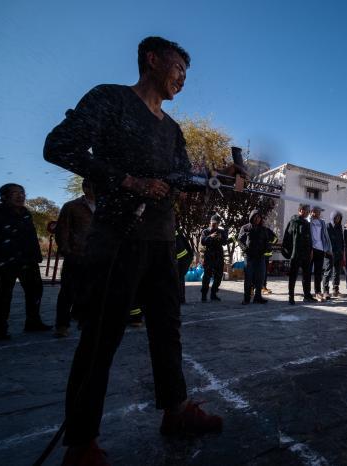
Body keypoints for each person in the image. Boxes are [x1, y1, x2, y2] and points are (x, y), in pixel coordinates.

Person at [43, 36, 223, 463]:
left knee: (168, 330)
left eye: (186, 73)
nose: (182, 78)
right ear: (152, 59)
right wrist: (127, 181)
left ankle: (176, 411)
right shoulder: (110, 100)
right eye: (178, 68)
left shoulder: (173, 129)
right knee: (101, 337)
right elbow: (58, 147)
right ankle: (81, 442)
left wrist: (215, 181)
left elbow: (181, 179)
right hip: (117, 238)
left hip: (162, 241)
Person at [0, 183, 51, 340]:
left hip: (28, 260)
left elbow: (31, 236)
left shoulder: (25, 212)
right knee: (2, 295)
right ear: (4, 196)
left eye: (22, 192)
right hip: (5, 261)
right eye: (15, 193)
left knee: (35, 291)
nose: (21, 196)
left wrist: (36, 256)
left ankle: (33, 322)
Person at [54, 178, 95, 337]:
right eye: (93, 186)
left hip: (97, 256)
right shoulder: (72, 206)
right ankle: (62, 325)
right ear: (85, 188)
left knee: (90, 290)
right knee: (67, 291)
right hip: (76, 254)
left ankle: (84, 320)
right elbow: (62, 230)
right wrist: (66, 251)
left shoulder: (106, 207)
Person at [238, 210, 274, 305]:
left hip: (260, 257)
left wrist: (268, 248)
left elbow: (269, 240)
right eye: (255, 217)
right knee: (248, 278)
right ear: (252, 217)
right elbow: (239, 240)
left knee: (260, 278)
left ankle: (258, 297)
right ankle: (246, 298)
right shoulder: (245, 228)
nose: (257, 219)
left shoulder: (263, 229)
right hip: (249, 257)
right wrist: (245, 249)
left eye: (259, 217)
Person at [282, 203, 314, 305]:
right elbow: (287, 238)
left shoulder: (307, 223)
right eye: (306, 210)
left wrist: (310, 251)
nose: (307, 213)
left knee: (307, 276)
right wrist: (289, 252)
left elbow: (309, 239)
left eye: (308, 211)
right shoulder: (293, 222)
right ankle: (291, 296)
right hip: (295, 254)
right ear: (300, 210)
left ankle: (307, 295)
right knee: (293, 276)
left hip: (306, 254)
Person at [200, 214, 229, 302]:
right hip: (209, 256)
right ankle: (204, 295)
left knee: (218, 276)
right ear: (210, 222)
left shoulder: (221, 231)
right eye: (213, 223)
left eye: (216, 224)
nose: (214, 225)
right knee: (207, 276)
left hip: (219, 256)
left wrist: (221, 238)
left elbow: (225, 242)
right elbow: (203, 241)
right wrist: (210, 237)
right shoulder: (205, 231)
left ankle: (213, 294)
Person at [308, 206, 332, 302]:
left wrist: (328, 248)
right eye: (317, 212)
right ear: (312, 212)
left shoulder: (322, 222)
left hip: (320, 249)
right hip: (311, 249)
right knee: (308, 272)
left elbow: (326, 236)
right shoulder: (308, 221)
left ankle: (318, 292)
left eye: (319, 212)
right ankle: (307, 293)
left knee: (318, 272)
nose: (319, 214)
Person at [323, 210, 344, 298]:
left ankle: (335, 290)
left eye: (339, 217)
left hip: (338, 253)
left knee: (337, 272)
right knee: (328, 272)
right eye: (336, 217)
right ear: (333, 217)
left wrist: (342, 250)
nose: (338, 219)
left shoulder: (339, 227)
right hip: (329, 253)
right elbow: (325, 239)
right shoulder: (327, 226)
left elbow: (341, 240)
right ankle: (325, 291)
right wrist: (327, 250)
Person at [175, 229, 194, 304]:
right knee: (180, 278)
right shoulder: (177, 232)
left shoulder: (170, 232)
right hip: (185, 258)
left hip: (181, 260)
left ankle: (180, 299)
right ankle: (181, 299)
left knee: (178, 278)